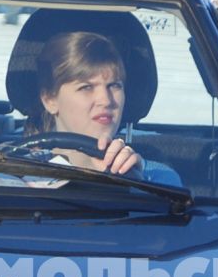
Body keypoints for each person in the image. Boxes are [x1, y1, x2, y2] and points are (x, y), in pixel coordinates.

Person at [26, 31, 179, 184]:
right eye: (86, 87)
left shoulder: (157, 178)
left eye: (114, 85)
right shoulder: (12, 173)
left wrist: (135, 184)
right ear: (50, 100)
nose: (106, 100)